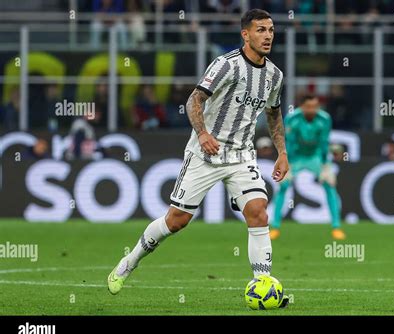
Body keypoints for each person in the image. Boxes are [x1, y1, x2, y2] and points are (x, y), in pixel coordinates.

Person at [108, 9, 289, 308]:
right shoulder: (226, 65)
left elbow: (273, 113)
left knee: (258, 211)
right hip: (206, 153)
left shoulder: (274, 75)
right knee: (177, 221)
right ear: (245, 34)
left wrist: (282, 152)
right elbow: (195, 99)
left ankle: (263, 284)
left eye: (271, 30)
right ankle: (130, 261)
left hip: (242, 155)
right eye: (260, 30)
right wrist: (203, 134)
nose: (268, 35)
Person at [269, 94, 346, 241]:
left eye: (315, 106)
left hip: (315, 157)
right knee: (283, 187)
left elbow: (324, 142)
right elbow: (289, 142)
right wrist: (287, 163)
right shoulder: (292, 119)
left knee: (330, 185)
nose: (312, 110)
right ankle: (276, 227)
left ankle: (336, 227)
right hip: (295, 158)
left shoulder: (324, 119)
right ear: (302, 106)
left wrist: (324, 165)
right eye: (309, 107)